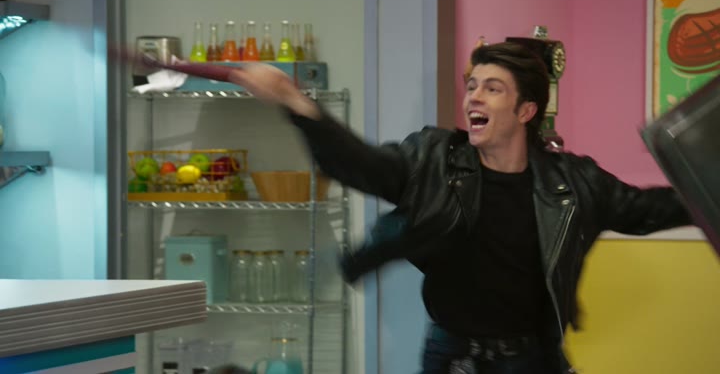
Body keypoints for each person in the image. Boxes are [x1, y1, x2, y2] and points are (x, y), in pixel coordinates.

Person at [226, 42, 693, 374]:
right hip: (452, 357)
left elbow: (651, 209)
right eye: (472, 86)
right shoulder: (433, 160)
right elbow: (360, 164)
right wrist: (293, 101)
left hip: (532, 359)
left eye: (492, 88)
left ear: (526, 110)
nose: (474, 97)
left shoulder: (574, 182)